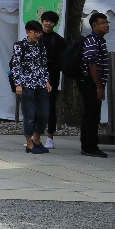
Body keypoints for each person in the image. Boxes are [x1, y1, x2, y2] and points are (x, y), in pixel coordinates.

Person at [10, 19, 52, 153]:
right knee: (30, 115)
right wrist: (18, 84)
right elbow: (16, 66)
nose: (37, 35)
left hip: (40, 83)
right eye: (35, 32)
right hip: (26, 84)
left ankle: (37, 138)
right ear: (28, 32)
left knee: (44, 113)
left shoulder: (41, 46)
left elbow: (44, 65)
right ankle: (29, 143)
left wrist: (47, 81)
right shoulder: (19, 46)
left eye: (39, 32)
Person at [78, 11, 111, 158]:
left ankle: (87, 144)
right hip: (89, 82)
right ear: (94, 26)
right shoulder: (92, 41)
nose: (106, 26)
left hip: (93, 83)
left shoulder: (100, 40)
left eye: (107, 23)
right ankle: (90, 146)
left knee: (91, 114)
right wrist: (98, 86)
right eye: (103, 23)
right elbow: (92, 64)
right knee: (92, 114)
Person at [39, 10, 65, 149]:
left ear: (55, 24)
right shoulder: (37, 37)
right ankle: (34, 136)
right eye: (46, 20)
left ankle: (50, 137)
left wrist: (50, 74)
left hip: (52, 76)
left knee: (50, 106)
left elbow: (61, 60)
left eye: (51, 21)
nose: (48, 23)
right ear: (42, 21)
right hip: (36, 76)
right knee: (36, 105)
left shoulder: (59, 40)